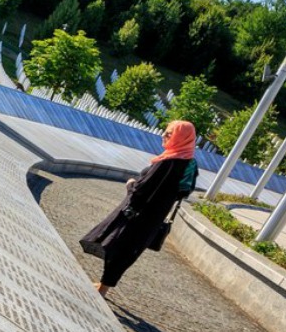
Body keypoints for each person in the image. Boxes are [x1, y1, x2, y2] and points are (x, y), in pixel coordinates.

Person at [79, 120, 199, 296]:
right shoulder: (190, 164)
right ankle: (104, 285)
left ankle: (103, 288)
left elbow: (142, 190)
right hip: (154, 218)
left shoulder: (167, 162)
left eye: (169, 134)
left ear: (181, 138)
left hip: (136, 214)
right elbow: (183, 192)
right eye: (165, 132)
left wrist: (131, 184)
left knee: (116, 244)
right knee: (127, 250)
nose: (163, 136)